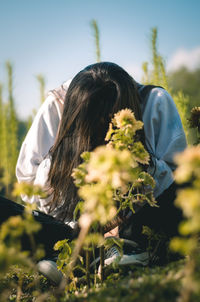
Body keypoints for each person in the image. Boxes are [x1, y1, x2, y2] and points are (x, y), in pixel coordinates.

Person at [15, 62, 186, 283]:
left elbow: (176, 175)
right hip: (68, 223)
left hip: (140, 219)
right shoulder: (56, 106)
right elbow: (28, 179)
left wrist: (134, 161)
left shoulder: (155, 102)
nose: (103, 140)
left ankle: (126, 247)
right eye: (93, 132)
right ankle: (69, 253)